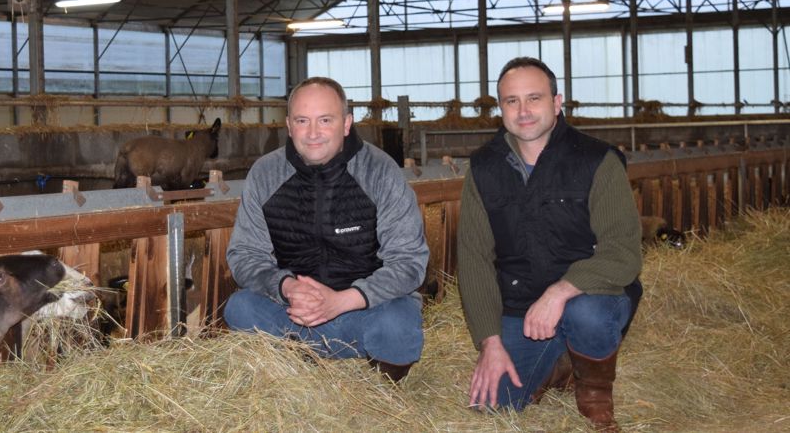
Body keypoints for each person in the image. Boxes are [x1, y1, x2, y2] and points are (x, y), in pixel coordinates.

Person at [457, 57, 642, 431]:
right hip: (521, 308)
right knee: (492, 406)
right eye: (511, 101)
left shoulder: (596, 161)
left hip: (590, 297)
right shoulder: (483, 168)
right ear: (500, 108)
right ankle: (560, 364)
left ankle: (594, 399)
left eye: (534, 98)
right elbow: (474, 260)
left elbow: (623, 253)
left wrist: (559, 293)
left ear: (557, 103)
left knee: (585, 313)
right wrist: (489, 342)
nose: (523, 111)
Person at [224, 76, 429, 382]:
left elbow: (410, 262)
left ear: (346, 124)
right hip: (294, 312)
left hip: (363, 310)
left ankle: (380, 379)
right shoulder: (266, 173)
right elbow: (244, 254)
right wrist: (287, 287)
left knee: (398, 325)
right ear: (289, 125)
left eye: (325, 120)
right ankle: (300, 358)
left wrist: (341, 301)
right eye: (303, 121)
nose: (313, 133)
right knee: (239, 308)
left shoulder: (379, 170)